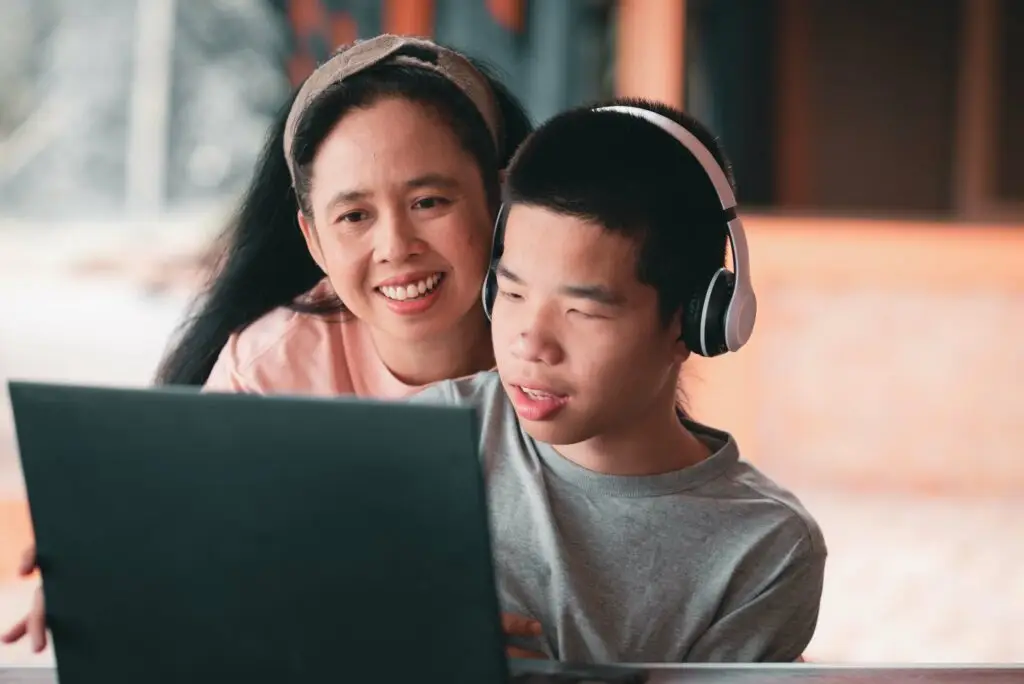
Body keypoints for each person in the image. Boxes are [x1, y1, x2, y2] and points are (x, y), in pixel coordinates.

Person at [2, 34, 541, 657]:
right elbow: (194, 545)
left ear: (499, 201)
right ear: (313, 240)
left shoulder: (561, 350)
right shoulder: (272, 364)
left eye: (428, 201)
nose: (396, 245)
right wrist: (113, 573)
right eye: (354, 216)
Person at [406, 99, 827, 662]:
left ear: (697, 321)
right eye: (511, 293)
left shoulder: (765, 550)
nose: (530, 343)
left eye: (583, 312)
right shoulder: (427, 438)